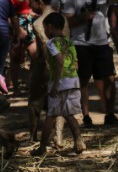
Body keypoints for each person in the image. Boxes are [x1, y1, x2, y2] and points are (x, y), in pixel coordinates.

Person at [73, 0, 118, 126]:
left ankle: (110, 114)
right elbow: (67, 21)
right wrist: (82, 18)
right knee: (83, 81)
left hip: (101, 43)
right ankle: (86, 116)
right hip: (81, 44)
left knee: (109, 79)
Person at [31, 12, 85, 156]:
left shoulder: (51, 43)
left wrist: (55, 84)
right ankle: (79, 141)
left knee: (50, 115)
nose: (45, 33)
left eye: (45, 29)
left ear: (49, 27)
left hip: (59, 82)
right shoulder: (69, 42)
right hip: (73, 80)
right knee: (69, 114)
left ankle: (42, 148)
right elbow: (76, 64)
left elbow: (59, 61)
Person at [27, 0, 69, 142]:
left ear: (39, 2)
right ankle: (58, 136)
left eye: (31, 2)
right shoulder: (62, 19)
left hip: (46, 66)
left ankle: (33, 136)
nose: (30, 6)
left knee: (35, 101)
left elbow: (43, 49)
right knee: (60, 103)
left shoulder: (39, 23)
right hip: (66, 65)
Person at [5, 0, 37, 92]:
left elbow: (28, 9)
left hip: (29, 25)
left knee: (35, 55)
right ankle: (15, 88)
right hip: (16, 26)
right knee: (16, 58)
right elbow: (7, 14)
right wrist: (17, 30)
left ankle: (31, 83)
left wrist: (32, 14)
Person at [0, 0, 17, 96]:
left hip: (4, 35)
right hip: (4, 35)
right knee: (0, 66)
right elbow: (14, 18)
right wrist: (16, 33)